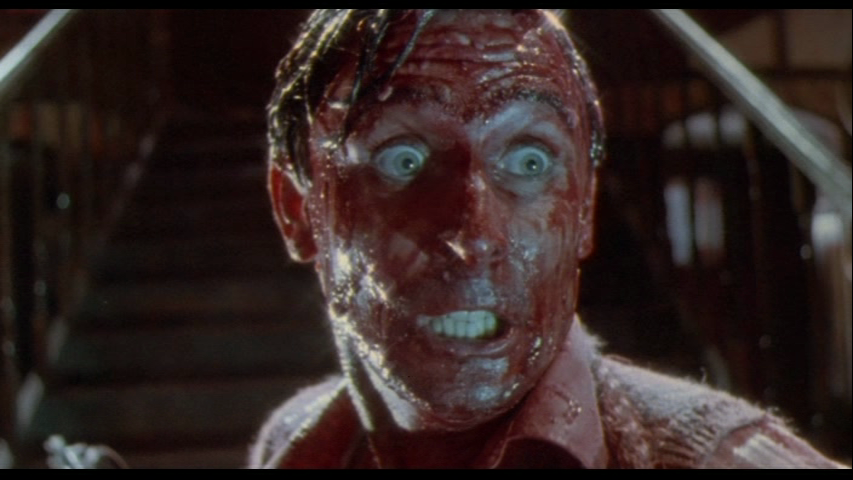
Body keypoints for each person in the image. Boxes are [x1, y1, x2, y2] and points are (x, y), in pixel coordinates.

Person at [249, 9, 846, 468]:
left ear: (583, 209)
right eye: (402, 159)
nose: (474, 238)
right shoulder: (296, 443)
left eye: (530, 161)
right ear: (296, 209)